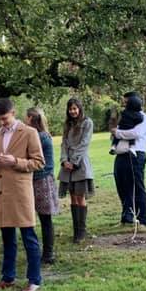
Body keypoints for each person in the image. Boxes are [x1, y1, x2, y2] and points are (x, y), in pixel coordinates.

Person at [0, 99, 44, 291]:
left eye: (5, 118)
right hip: (1, 191)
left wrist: (16, 161)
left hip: (20, 192)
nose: (2, 122)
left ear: (13, 113)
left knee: (28, 236)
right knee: (7, 238)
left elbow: (39, 162)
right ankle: (8, 277)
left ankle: (34, 279)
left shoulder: (29, 132)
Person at [111, 92, 146, 227]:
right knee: (122, 185)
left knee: (137, 187)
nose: (124, 105)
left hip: (136, 155)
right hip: (121, 154)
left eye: (126, 102)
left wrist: (117, 133)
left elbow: (136, 133)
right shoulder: (125, 116)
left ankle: (142, 218)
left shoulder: (144, 118)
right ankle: (127, 215)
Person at [26, 107, 60, 264]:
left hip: (41, 180)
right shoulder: (43, 135)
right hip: (41, 179)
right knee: (44, 219)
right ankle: (47, 252)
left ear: (30, 118)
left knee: (44, 219)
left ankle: (48, 252)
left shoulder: (39, 137)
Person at [59, 98, 94, 244]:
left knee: (80, 197)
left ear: (79, 108)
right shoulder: (67, 124)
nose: (72, 111)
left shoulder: (87, 123)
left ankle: (81, 232)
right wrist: (64, 160)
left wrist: (73, 162)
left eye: (74, 108)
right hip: (67, 166)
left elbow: (84, 143)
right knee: (72, 197)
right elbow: (63, 143)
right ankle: (76, 230)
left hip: (80, 164)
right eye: (70, 109)